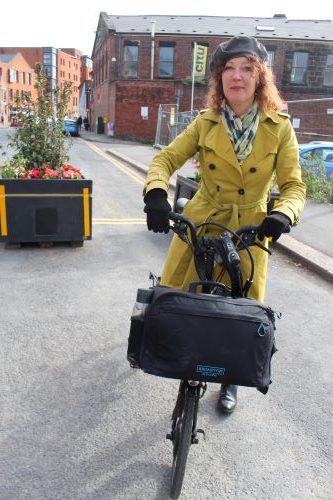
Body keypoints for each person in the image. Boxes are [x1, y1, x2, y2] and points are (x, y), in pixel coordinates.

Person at [143, 36, 306, 413]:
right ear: (219, 78)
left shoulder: (279, 127)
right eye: (229, 69)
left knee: (244, 308)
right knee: (175, 293)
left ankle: (230, 379)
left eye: (247, 68)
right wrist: (155, 194)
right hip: (204, 216)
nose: (237, 76)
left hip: (252, 225)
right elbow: (164, 160)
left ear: (260, 77)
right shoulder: (206, 122)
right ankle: (177, 357)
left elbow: (294, 185)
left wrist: (282, 214)